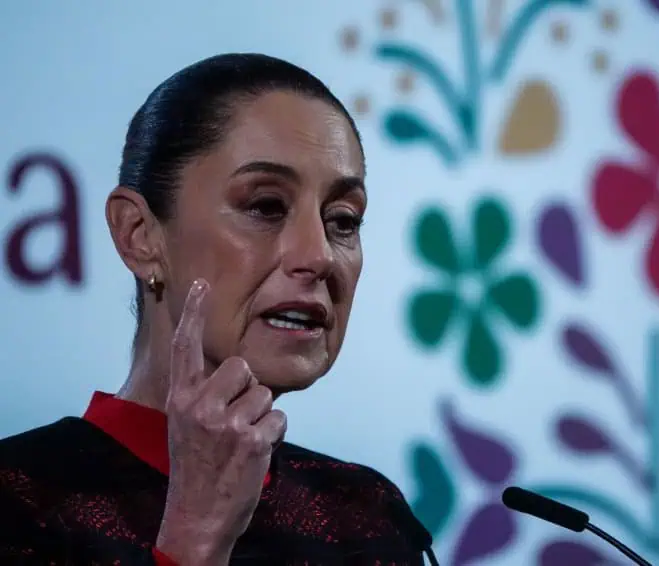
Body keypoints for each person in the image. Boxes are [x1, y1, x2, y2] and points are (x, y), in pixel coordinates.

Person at [0, 53, 434, 565]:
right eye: (265, 207)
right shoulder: (20, 502)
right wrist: (195, 538)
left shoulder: (367, 514)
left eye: (342, 220)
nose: (318, 255)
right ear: (139, 235)